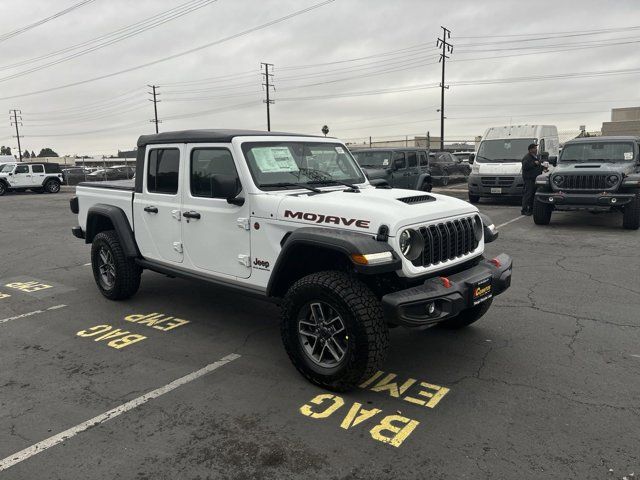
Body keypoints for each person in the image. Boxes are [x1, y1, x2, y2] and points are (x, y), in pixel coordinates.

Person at [521, 143, 543, 215]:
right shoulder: (527, 157)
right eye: (534, 148)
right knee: (528, 194)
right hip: (529, 179)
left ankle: (531, 209)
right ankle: (524, 210)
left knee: (533, 194)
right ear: (530, 150)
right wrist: (534, 163)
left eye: (536, 148)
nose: (536, 149)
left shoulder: (536, 157)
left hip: (535, 179)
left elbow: (538, 166)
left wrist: (542, 168)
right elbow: (525, 167)